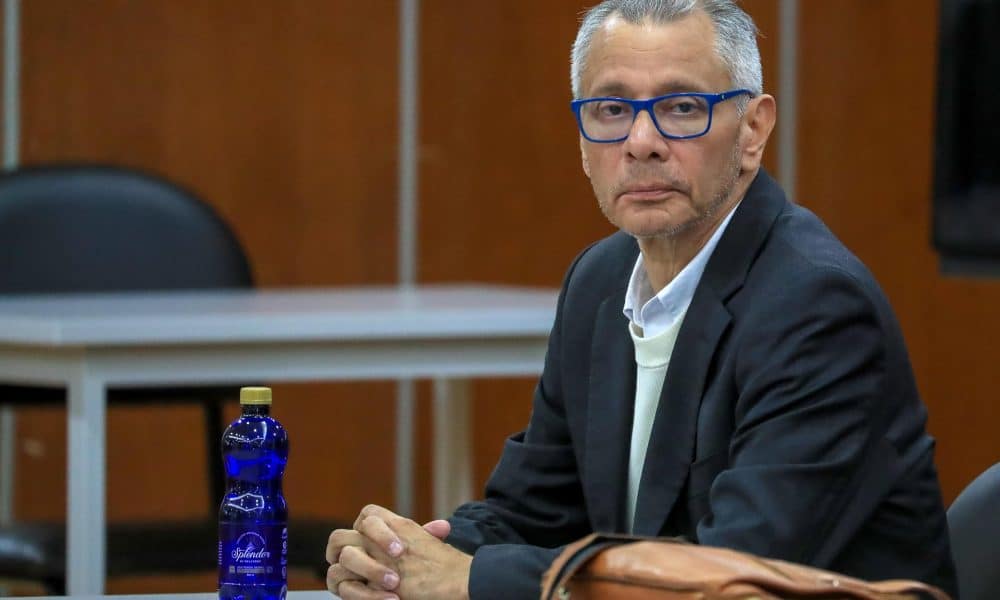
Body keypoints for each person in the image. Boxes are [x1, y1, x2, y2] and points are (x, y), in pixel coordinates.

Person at [325, 1, 959, 599]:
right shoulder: (599, 282)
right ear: (581, 136)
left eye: (683, 108)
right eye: (610, 109)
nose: (641, 141)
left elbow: (730, 572)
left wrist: (475, 581)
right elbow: (534, 510)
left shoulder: (817, 306)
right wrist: (404, 558)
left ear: (753, 130)